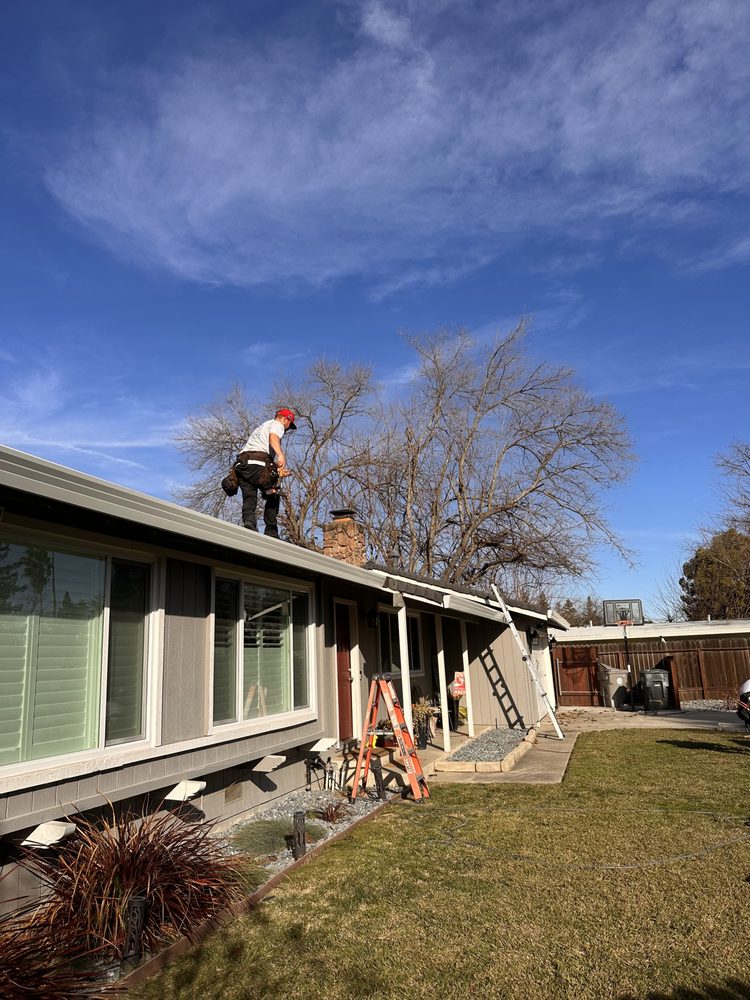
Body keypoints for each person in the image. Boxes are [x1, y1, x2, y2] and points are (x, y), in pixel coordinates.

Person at [235, 408, 296, 537]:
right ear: (285, 419)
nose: (287, 429)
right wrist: (281, 455)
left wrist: (279, 471)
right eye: (289, 425)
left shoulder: (261, 427)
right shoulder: (277, 425)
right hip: (258, 466)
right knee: (272, 493)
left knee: (249, 496)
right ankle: (271, 530)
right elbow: (273, 437)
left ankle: (249, 524)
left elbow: (259, 448)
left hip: (242, 466)